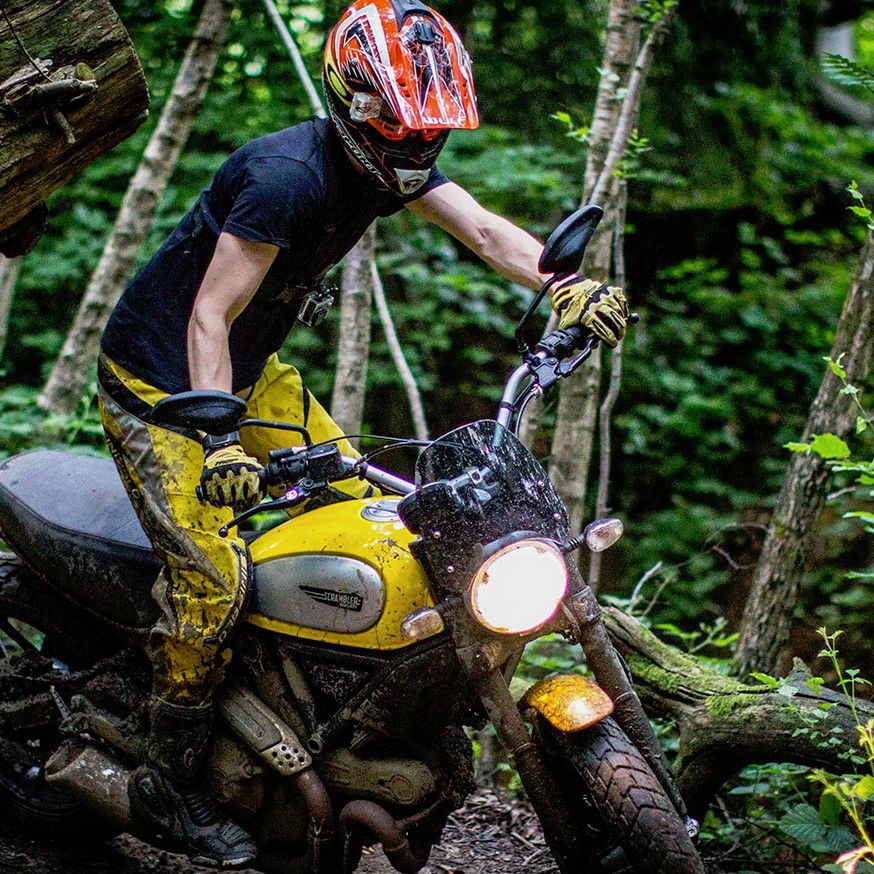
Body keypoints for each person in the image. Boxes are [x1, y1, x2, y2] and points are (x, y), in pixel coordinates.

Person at [97, 0, 629, 866]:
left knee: (376, 516)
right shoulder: (285, 180)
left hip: (251, 371)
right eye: (403, 126)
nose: (418, 144)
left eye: (430, 129)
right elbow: (209, 315)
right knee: (213, 581)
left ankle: (332, 711)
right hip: (167, 385)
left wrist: (563, 284)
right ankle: (166, 776)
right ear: (356, 104)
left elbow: (483, 230)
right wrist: (220, 442)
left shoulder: (392, 165)